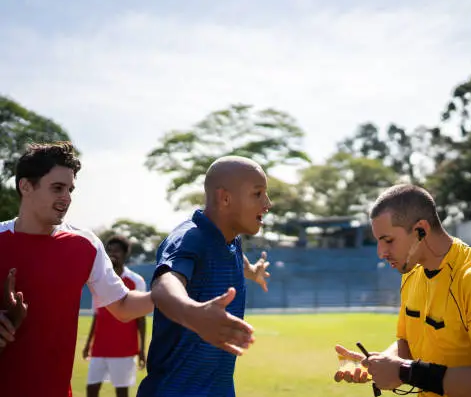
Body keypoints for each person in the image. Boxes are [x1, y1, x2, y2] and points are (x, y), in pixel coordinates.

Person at [335, 184, 471, 397]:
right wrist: (379, 364)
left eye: (388, 240)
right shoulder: (410, 275)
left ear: (420, 230)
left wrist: (406, 372)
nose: (381, 252)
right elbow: (407, 346)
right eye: (379, 242)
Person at [0, 141, 155, 397]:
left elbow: (123, 305)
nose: (67, 198)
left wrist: (172, 294)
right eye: (57, 188)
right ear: (25, 186)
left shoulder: (85, 245)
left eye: (70, 189)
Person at [137, 155, 272, 397]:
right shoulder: (189, 239)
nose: (267, 203)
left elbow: (230, 256)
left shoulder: (230, 240)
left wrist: (252, 272)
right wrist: (193, 312)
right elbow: (164, 284)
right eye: (258, 193)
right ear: (225, 198)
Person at [83, 235, 148, 397]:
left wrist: (141, 350)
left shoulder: (136, 281)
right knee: (91, 389)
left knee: (121, 392)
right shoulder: (99, 280)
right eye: (109, 250)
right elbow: (97, 315)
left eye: (117, 251)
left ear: (125, 254)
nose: (112, 254)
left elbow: (141, 319)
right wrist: (88, 344)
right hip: (99, 347)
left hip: (124, 348)